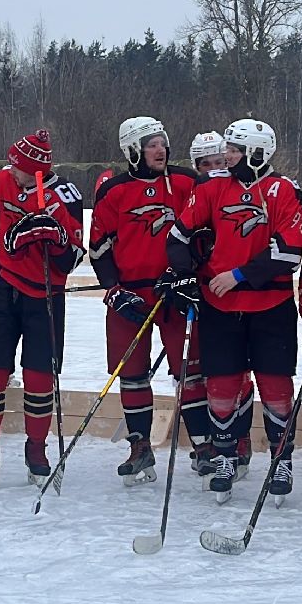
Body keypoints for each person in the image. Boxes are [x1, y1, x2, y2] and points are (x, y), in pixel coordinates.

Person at [164, 118, 302, 503]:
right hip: (220, 306)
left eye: (234, 150)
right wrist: (186, 275)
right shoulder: (212, 187)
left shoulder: (284, 189)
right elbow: (177, 237)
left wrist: (238, 275)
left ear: (257, 153)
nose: (226, 155)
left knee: (275, 385)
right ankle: (225, 456)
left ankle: (281, 460)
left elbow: (289, 251)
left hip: (271, 305)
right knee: (222, 384)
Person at [89, 116, 203, 486]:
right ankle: (140, 445)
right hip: (131, 294)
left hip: (175, 290)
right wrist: (113, 290)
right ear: (133, 150)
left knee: (189, 370)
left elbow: (203, 232)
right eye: (151, 143)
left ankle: (203, 445)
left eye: (162, 142)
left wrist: (188, 272)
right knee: (132, 372)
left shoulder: (186, 182)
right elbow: (99, 248)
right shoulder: (114, 191)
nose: (160, 149)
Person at [0, 129, 83, 487]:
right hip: (4, 287)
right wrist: (15, 238)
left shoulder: (65, 196)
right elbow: (4, 232)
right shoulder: (1, 181)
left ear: (38, 170)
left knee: (39, 377)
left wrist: (58, 238)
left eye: (20, 167)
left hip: (46, 293)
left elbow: (74, 257)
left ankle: (36, 447)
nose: (13, 172)